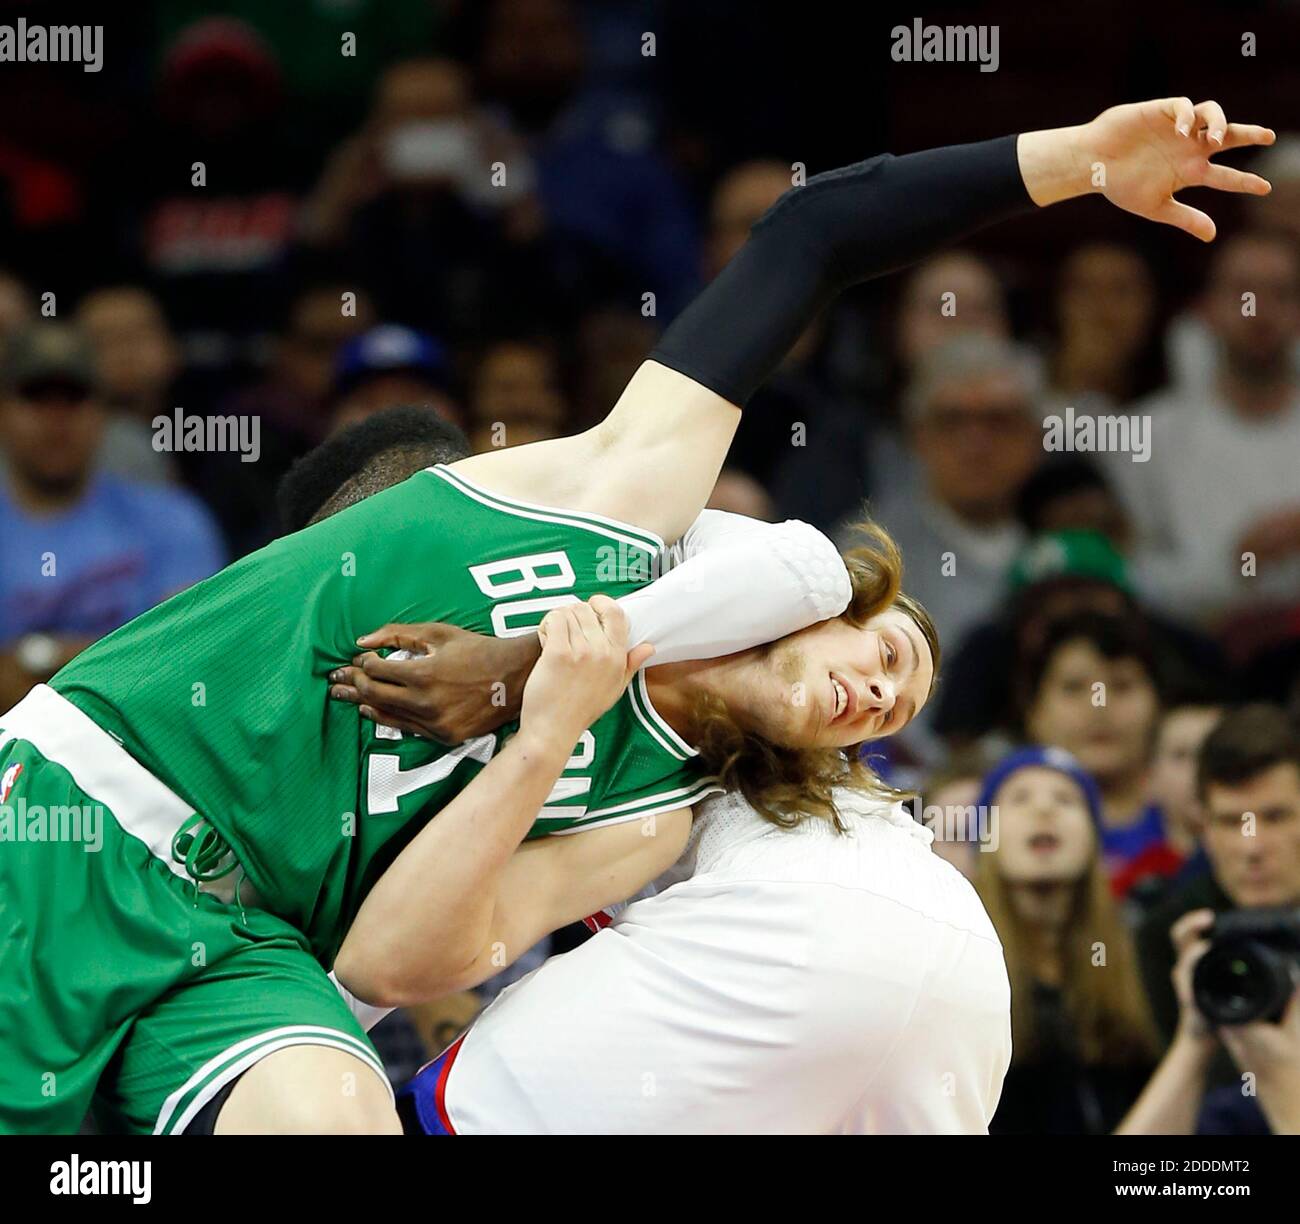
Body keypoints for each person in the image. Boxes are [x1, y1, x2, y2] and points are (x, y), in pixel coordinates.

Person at [0, 97, 1276, 1135]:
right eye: (883, 648)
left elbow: (394, 964)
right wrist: (1072, 162)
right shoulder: (616, 501)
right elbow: (809, 236)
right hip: (73, 820)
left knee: (341, 1117)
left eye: (898, 702)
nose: (880, 692)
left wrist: (544, 721)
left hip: (242, 952)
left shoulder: (647, 814)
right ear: (823, 601)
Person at [0, 324, 226, 711]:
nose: (56, 419)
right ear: (3, 410)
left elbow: (190, 659)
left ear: (103, 412)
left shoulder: (174, 520)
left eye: (74, 398)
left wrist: (32, 658)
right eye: (36, 397)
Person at [1130, 704, 1300, 1133]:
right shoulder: (1170, 936)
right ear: (1201, 827)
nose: (1251, 846)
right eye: (1229, 822)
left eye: (1276, 817)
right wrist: (1196, 1037)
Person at [972, 747, 1159, 1134]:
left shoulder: (1139, 959)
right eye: (1019, 798)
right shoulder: (959, 965)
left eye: (1067, 800)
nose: (1044, 810)